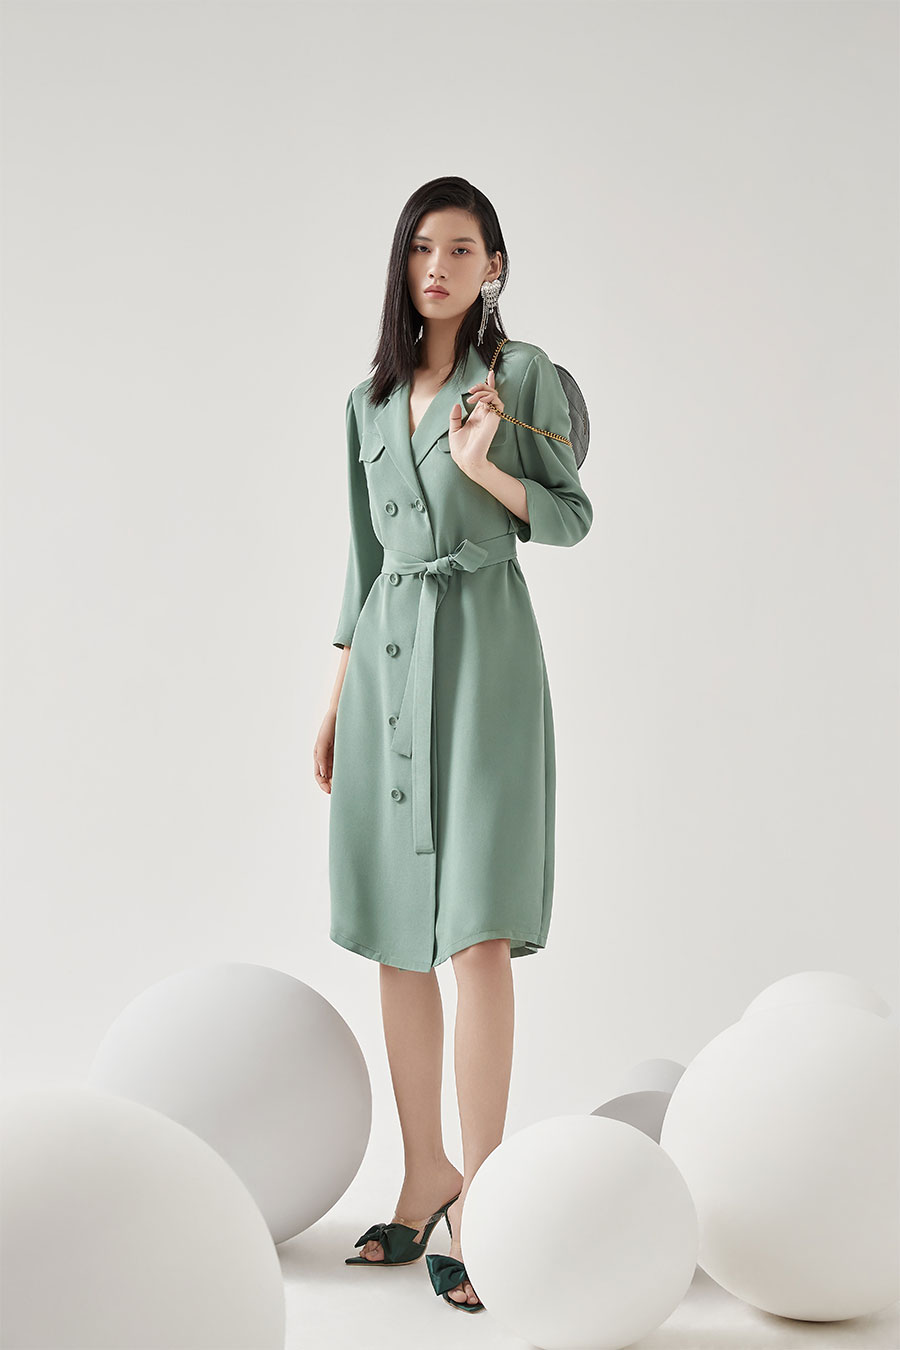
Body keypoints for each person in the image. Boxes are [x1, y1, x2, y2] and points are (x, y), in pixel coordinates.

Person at [313, 176, 593, 1312]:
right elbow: (363, 563)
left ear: (495, 266)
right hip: (386, 671)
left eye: (462, 249)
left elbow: (570, 516)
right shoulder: (367, 402)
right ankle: (422, 1168)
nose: (438, 267)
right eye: (423, 248)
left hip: (485, 665)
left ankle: (484, 1197)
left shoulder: (518, 379)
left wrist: (484, 467)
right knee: (398, 936)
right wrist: (333, 699)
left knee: (475, 934)